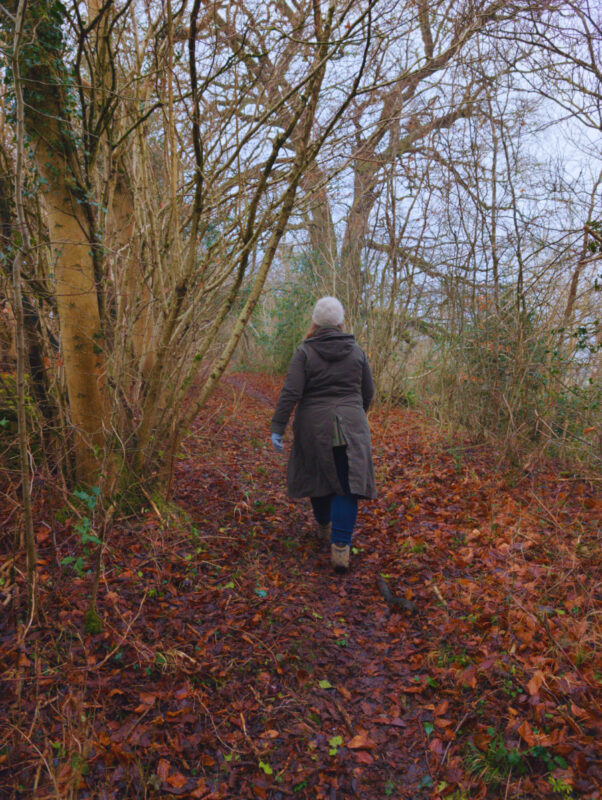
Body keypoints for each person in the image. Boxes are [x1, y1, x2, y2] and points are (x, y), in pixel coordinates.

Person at [270, 296, 376, 572]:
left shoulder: (304, 352)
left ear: (315, 323)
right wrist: (356, 416)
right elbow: (369, 393)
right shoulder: (356, 352)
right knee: (347, 485)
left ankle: (323, 526)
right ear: (341, 322)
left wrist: (278, 428)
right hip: (351, 427)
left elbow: (291, 392)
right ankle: (340, 548)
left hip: (314, 428)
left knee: (318, 478)